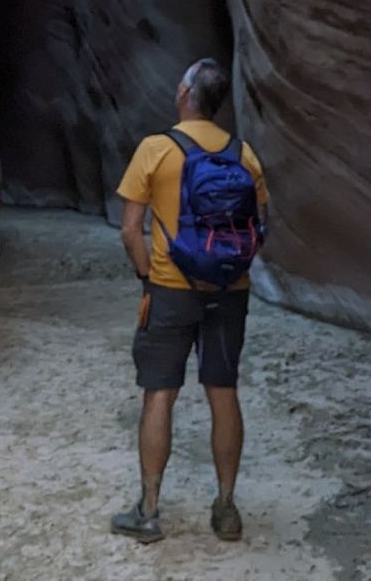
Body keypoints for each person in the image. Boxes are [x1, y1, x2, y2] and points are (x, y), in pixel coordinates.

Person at [109, 57, 268, 544]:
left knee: (160, 393)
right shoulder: (244, 154)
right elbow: (259, 226)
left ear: (184, 93)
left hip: (171, 289)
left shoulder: (157, 150)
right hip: (229, 292)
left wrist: (147, 275)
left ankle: (150, 511)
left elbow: (131, 229)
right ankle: (225, 506)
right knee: (223, 392)